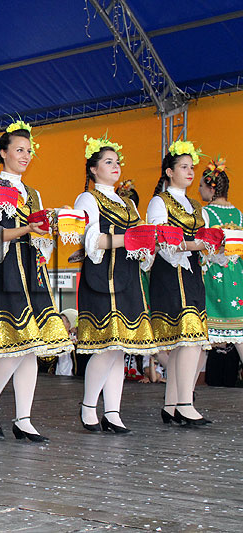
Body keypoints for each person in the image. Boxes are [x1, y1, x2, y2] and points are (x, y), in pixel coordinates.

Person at [0, 121, 71, 442]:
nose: (25, 156)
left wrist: (51, 227)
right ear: (3, 153)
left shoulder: (33, 193)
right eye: (19, 150)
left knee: (33, 347)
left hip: (34, 271)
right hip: (7, 271)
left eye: (29, 151)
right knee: (16, 347)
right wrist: (28, 229)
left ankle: (24, 418)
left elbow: (40, 235)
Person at [74, 137, 157, 433]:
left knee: (120, 348)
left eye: (117, 161)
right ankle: (88, 406)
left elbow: (139, 240)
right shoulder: (88, 199)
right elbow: (91, 241)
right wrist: (131, 239)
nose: (115, 166)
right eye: (108, 162)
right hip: (102, 278)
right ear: (93, 169)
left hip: (128, 277)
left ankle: (112, 412)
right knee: (106, 347)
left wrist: (147, 243)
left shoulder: (129, 203)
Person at [147, 141, 211, 426]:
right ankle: (185, 403)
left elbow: (205, 241)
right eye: (183, 167)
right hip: (170, 273)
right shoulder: (160, 201)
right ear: (170, 172)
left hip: (193, 273)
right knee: (188, 339)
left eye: (191, 167)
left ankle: (172, 405)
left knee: (188, 341)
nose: (189, 172)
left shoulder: (197, 206)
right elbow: (161, 241)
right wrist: (196, 244)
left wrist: (214, 246)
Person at [198, 159, 243, 362]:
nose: (199, 190)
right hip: (236, 276)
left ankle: (189, 383)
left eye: (201, 186)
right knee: (240, 334)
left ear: (211, 188)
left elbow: (201, 246)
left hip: (213, 277)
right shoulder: (239, 214)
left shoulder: (205, 213)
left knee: (201, 339)